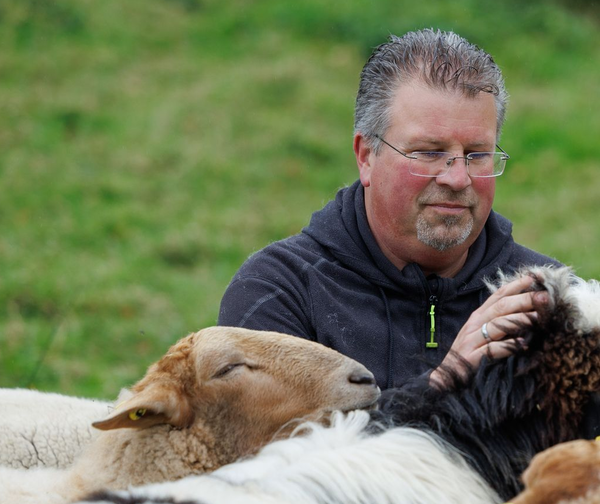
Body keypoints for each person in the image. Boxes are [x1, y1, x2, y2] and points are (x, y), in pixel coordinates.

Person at [218, 29, 559, 390]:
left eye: (477, 154)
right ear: (366, 156)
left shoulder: (547, 301)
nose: (459, 178)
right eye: (429, 152)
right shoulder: (280, 292)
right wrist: (446, 385)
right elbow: (291, 447)